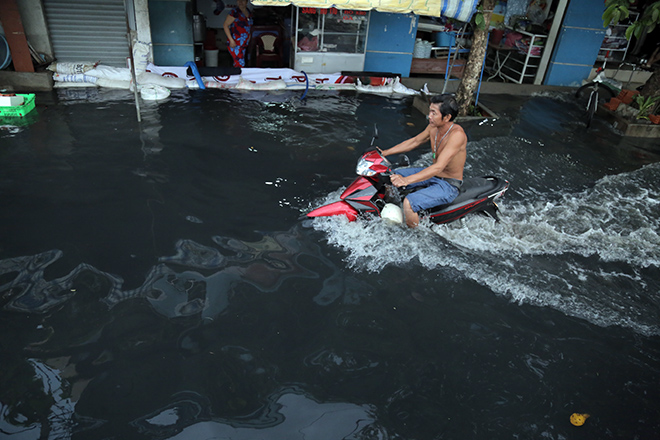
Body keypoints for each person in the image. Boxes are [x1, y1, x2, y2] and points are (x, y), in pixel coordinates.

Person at [380, 94, 467, 228]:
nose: (429, 116)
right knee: (389, 177)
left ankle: (414, 236)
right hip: (433, 175)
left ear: (447, 117)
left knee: (409, 203)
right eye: (430, 111)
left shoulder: (457, 135)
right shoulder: (433, 127)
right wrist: (384, 152)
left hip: (448, 184)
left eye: (434, 113)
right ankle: (390, 210)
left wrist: (407, 180)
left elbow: (438, 167)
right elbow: (415, 141)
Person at [223, 0, 253, 68]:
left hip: (244, 43)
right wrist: (231, 40)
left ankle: (239, 77)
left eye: (243, 0)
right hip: (235, 43)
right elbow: (225, 25)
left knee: (241, 62)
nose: (240, 2)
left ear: (247, 1)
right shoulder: (234, 12)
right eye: (238, 0)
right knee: (239, 63)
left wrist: (249, 38)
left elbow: (249, 27)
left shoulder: (248, 12)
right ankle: (239, 78)